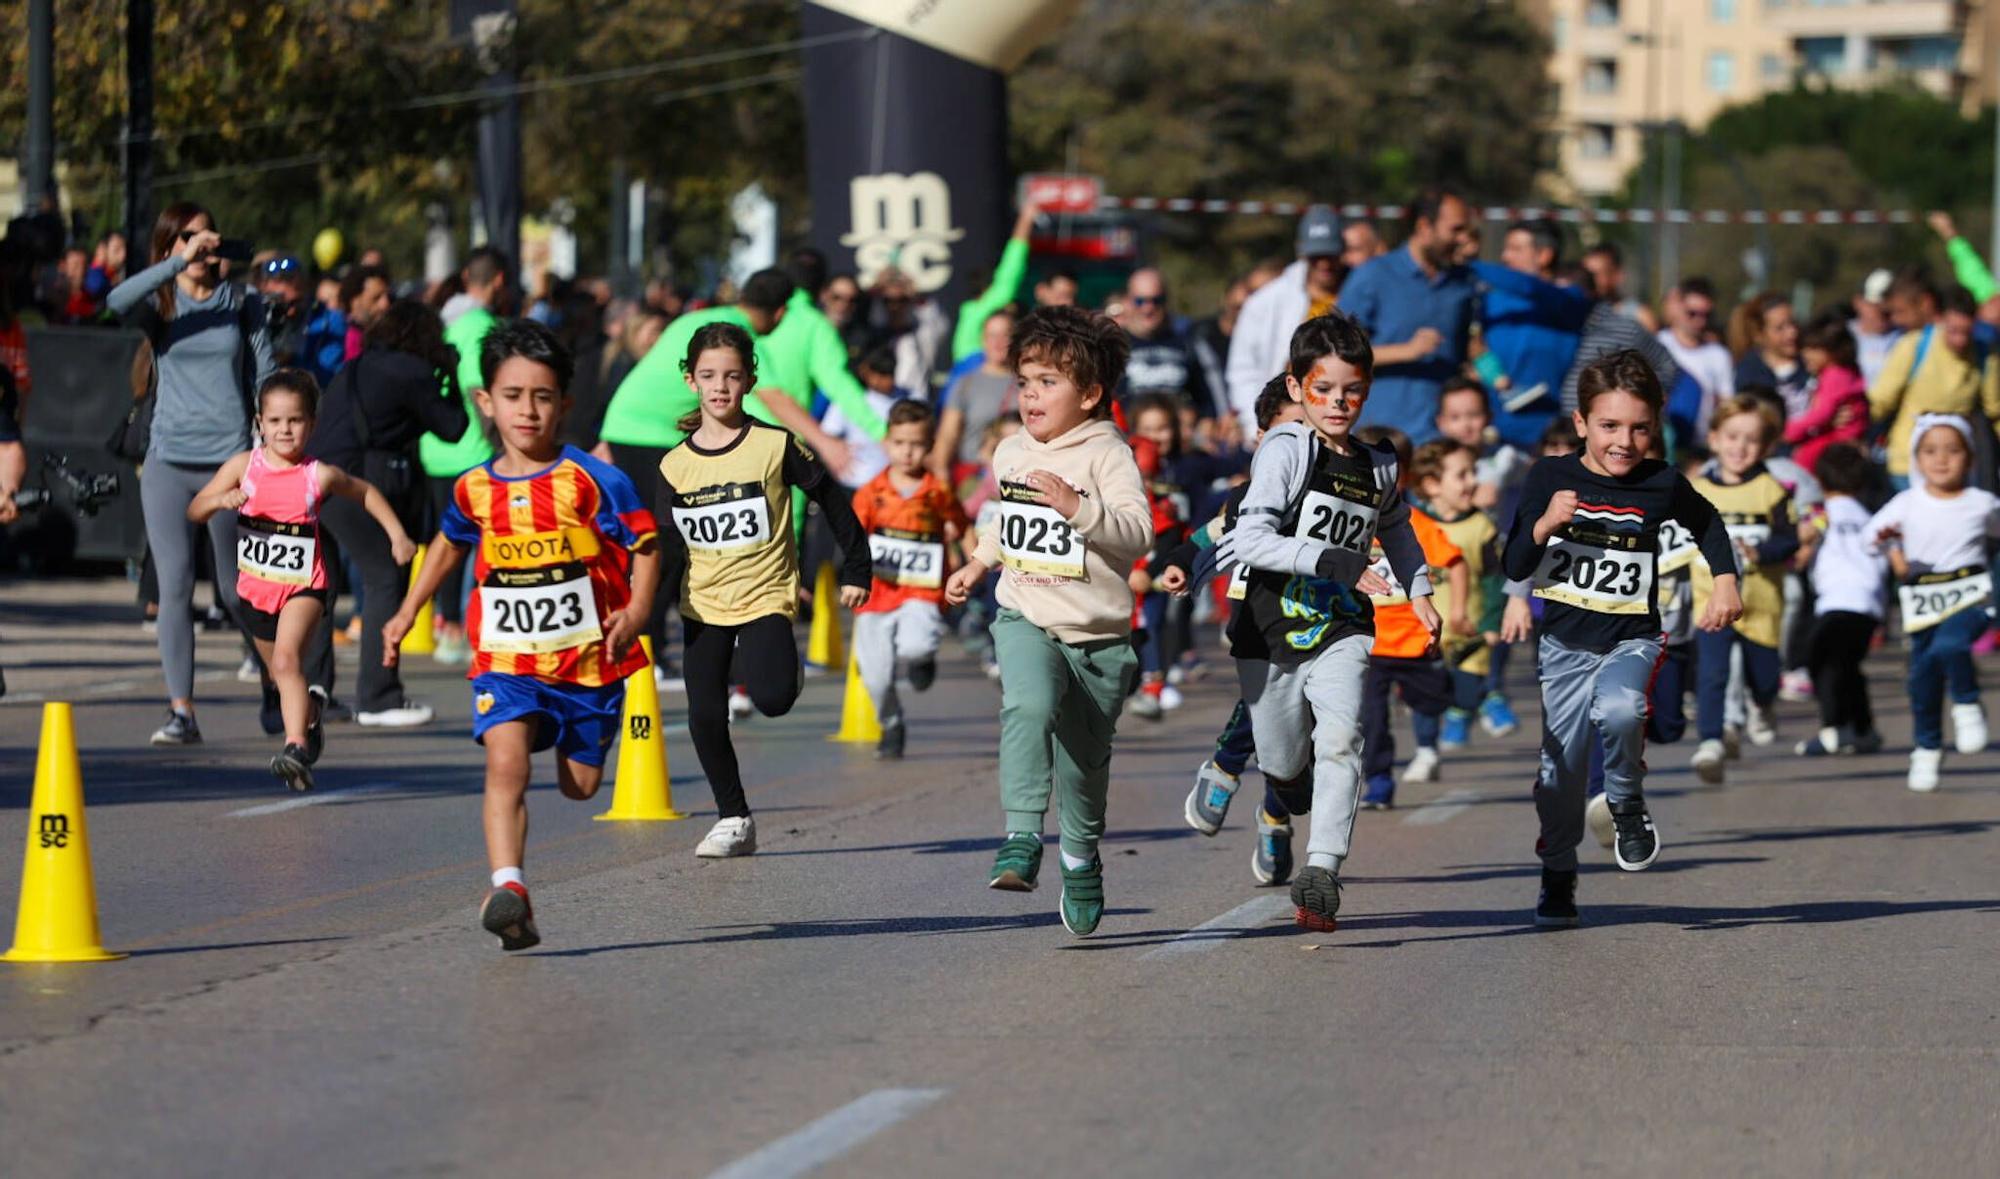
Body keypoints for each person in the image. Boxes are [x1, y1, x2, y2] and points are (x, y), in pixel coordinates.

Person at [384, 320, 659, 951]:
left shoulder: (591, 479)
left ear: (564, 402)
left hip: (589, 660)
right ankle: (510, 889)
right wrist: (406, 613)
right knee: (504, 762)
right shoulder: (475, 488)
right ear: (486, 402)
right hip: (505, 658)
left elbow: (644, 544)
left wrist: (639, 610)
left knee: (579, 785)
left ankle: (572, 731)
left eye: (542, 397)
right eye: (512, 396)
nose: (527, 411)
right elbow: (449, 546)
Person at [1216, 312, 1440, 932]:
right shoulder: (1286, 450)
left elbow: (1395, 526)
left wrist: (1418, 588)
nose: (1339, 402)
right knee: (1284, 763)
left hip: (1341, 624)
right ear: (1296, 388)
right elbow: (1253, 539)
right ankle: (1287, 802)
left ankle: (1322, 868)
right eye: (1324, 389)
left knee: (1342, 738)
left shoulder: (1380, 464)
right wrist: (1332, 559)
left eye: (1352, 391)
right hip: (1270, 628)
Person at [1502, 350, 1741, 926]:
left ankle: (1625, 800)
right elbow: (1513, 558)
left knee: (1622, 708)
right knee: (1558, 779)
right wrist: (1542, 525)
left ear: (1655, 428)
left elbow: (1707, 522)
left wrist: (1726, 583)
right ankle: (1558, 872)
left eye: (1639, 428)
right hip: (1563, 648)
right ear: (1581, 423)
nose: (1624, 442)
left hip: (1633, 638)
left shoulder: (1661, 483)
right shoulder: (1550, 476)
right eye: (1609, 426)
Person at [942, 305, 1152, 937]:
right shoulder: (1010, 450)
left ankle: (1080, 857)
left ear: (1089, 394)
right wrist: (978, 565)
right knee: (1027, 706)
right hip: (1026, 613)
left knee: (1083, 771)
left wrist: (1077, 507)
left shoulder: (1107, 455)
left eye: (1048, 382)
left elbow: (1137, 534)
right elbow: (1002, 522)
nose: (1031, 394)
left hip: (1098, 637)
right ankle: (1021, 835)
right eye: (1026, 380)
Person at [657, 323, 872, 859]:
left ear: (750, 380)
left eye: (732, 376)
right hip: (702, 602)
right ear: (690, 381)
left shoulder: (775, 445)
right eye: (708, 376)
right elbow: (665, 547)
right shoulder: (673, 465)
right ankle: (733, 817)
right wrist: (642, 614)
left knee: (772, 699)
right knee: (705, 716)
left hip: (765, 596)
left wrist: (857, 569)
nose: (720, 386)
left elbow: (835, 501)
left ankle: (779, 667)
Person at [190, 369, 417, 790]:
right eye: (275, 421)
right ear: (259, 423)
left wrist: (397, 535)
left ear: (311, 425)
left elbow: (364, 491)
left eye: (295, 421)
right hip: (255, 592)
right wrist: (220, 499)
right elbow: (196, 509)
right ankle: (311, 710)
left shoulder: (319, 475)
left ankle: (295, 748)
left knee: (286, 661)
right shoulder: (244, 467)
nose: (285, 430)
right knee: (279, 677)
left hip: (304, 588)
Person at [107, 202, 275, 746]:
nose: (203, 246)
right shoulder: (160, 302)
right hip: (168, 462)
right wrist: (175, 264)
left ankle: (279, 681)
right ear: (171, 246)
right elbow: (115, 302)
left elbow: (265, 372)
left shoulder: (241, 302)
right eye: (187, 237)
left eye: (208, 235)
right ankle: (182, 710)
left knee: (234, 589)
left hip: (228, 462)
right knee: (174, 586)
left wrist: (271, 444)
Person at [310, 300, 471, 722]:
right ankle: (379, 695)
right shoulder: (412, 372)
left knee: (320, 587)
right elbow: (453, 428)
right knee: (384, 576)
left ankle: (314, 694)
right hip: (358, 484)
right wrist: (449, 374)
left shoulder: (359, 365)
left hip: (313, 477)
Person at [1177, 376, 1308, 881]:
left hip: (1319, 618)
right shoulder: (1247, 494)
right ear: (1262, 438)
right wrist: (1180, 561)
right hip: (1258, 616)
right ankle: (1225, 770)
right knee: (1266, 700)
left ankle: (1275, 817)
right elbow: (1206, 537)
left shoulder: (1338, 488)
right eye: (1288, 431)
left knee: (1299, 727)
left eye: (1309, 432)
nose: (1300, 445)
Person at [1865, 414, 2000, 791]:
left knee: (1952, 644)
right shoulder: (1906, 502)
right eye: (1930, 451)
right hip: (1922, 599)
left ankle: (1968, 704)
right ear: (1916, 459)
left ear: (1970, 459)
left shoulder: (1982, 502)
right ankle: (1926, 748)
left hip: (1971, 594)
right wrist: (1890, 545)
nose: (1941, 459)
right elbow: (1868, 538)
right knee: (1922, 680)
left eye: (1953, 451)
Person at [1687, 395, 1800, 783]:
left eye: (1751, 440)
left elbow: (1791, 541)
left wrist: (1762, 551)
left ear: (1767, 447)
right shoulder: (1694, 490)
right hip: (1709, 602)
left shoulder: (1773, 491)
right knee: (1712, 673)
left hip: (1760, 604)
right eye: (1732, 437)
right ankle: (1711, 741)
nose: (1740, 448)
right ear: (1714, 439)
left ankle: (1763, 704)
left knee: (1764, 677)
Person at [851, 400, 972, 759]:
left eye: (917, 444)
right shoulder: (870, 493)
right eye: (900, 443)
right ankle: (891, 724)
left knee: (916, 645)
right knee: (874, 677)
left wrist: (967, 555)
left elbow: (961, 524)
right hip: (877, 594)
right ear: (886, 443)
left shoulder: (937, 491)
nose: (908, 452)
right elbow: (853, 538)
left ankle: (923, 659)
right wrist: (851, 579)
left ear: (931, 446)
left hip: (921, 590)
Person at [1356, 427, 1468, 808]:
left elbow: (1454, 560)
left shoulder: (1415, 522)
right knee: (1371, 718)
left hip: (1414, 641)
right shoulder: (1351, 522)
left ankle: (1445, 708)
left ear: (1400, 476)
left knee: (1434, 700)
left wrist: (1458, 610)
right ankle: (1379, 782)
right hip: (1367, 642)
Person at [1337, 187, 1479, 445]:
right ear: (1425, 226)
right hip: (1380, 437)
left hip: (1440, 442)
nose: (1463, 239)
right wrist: (1406, 351)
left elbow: (1465, 352)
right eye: (1455, 230)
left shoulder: (1464, 284)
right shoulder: (1373, 276)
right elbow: (1338, 353)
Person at [1794, 443, 1887, 758]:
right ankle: (1864, 729)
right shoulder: (1869, 517)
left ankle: (1834, 728)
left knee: (1821, 660)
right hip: (1869, 602)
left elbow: (1802, 554)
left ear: (1819, 480)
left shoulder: (1819, 514)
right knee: (1848, 664)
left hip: (1835, 601)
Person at [1411, 437, 1502, 754]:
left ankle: (1475, 706)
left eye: (1473, 472)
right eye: (1462, 475)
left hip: (1469, 631)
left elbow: (1494, 579)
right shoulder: (1411, 526)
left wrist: (1492, 622)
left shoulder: (1482, 526)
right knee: (1423, 696)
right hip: (1425, 633)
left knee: (1464, 693)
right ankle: (1425, 750)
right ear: (1432, 484)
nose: (1473, 481)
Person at [1224, 204, 1348, 435]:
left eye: (1330, 255)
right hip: (1286, 422)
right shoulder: (1267, 301)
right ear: (1301, 252)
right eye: (1316, 256)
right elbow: (1242, 371)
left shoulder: (1359, 294)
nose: (1324, 264)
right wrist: (1257, 426)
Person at [1471, 219, 1592, 448]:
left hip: (1548, 438)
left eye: (1516, 249)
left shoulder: (1569, 300)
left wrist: (1469, 265)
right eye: (1505, 249)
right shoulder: (1490, 301)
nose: (1505, 257)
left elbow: (1530, 287)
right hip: (1490, 433)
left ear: (1545, 255)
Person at [1867, 282, 2000, 489]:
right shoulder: (1914, 345)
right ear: (1940, 320)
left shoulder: (1984, 356)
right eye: (1953, 331)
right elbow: (1881, 400)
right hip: (1907, 465)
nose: (1960, 340)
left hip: (1957, 469)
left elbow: (1995, 410)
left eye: (1966, 332)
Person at [933, 309, 1016, 480]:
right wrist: (941, 475)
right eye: (992, 335)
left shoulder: (1029, 382)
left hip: (1016, 477)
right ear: (982, 340)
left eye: (1005, 335)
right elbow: (948, 435)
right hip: (974, 478)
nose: (998, 342)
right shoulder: (965, 383)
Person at [951, 202, 1038, 364]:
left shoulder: (969, 313)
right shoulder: (988, 306)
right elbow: (1012, 266)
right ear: (989, 288)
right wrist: (1026, 219)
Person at [1784, 311, 1869, 476]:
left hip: (1839, 439)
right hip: (1842, 437)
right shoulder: (1845, 372)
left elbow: (1822, 414)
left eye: (1814, 349)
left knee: (1803, 458)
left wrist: (1790, 431)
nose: (1806, 354)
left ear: (1834, 351)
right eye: (1805, 348)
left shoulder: (1835, 375)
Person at [1117, 267, 1209, 418]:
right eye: (1140, 301)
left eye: (1156, 301)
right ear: (1128, 301)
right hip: (1130, 437)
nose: (1148, 308)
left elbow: (1205, 400)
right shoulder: (1115, 345)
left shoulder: (1187, 343)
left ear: (1166, 300)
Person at [1655, 277, 1733, 436]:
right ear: (1678, 307)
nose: (1700, 321)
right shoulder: (1657, 344)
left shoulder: (1719, 355)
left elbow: (1726, 404)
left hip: (1701, 445)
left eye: (1706, 315)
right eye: (1692, 313)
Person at [1729, 293, 1808, 420]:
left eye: (1793, 323)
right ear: (1759, 334)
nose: (1792, 333)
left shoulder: (1810, 363)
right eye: (1780, 328)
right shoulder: (1749, 371)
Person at [1580, 241, 1657, 331]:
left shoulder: (1640, 317)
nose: (1588, 280)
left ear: (1617, 275)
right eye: (1585, 273)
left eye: (1596, 274)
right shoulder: (1575, 312)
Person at [1851, 269, 1901, 386]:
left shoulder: (1907, 338)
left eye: (1887, 306)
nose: (1882, 311)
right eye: (1875, 305)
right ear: (1858, 302)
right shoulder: (1842, 335)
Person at [338, 264, 392, 363]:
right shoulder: (340, 341)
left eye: (388, 297)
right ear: (354, 302)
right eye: (376, 298)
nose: (385, 304)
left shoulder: (392, 337)